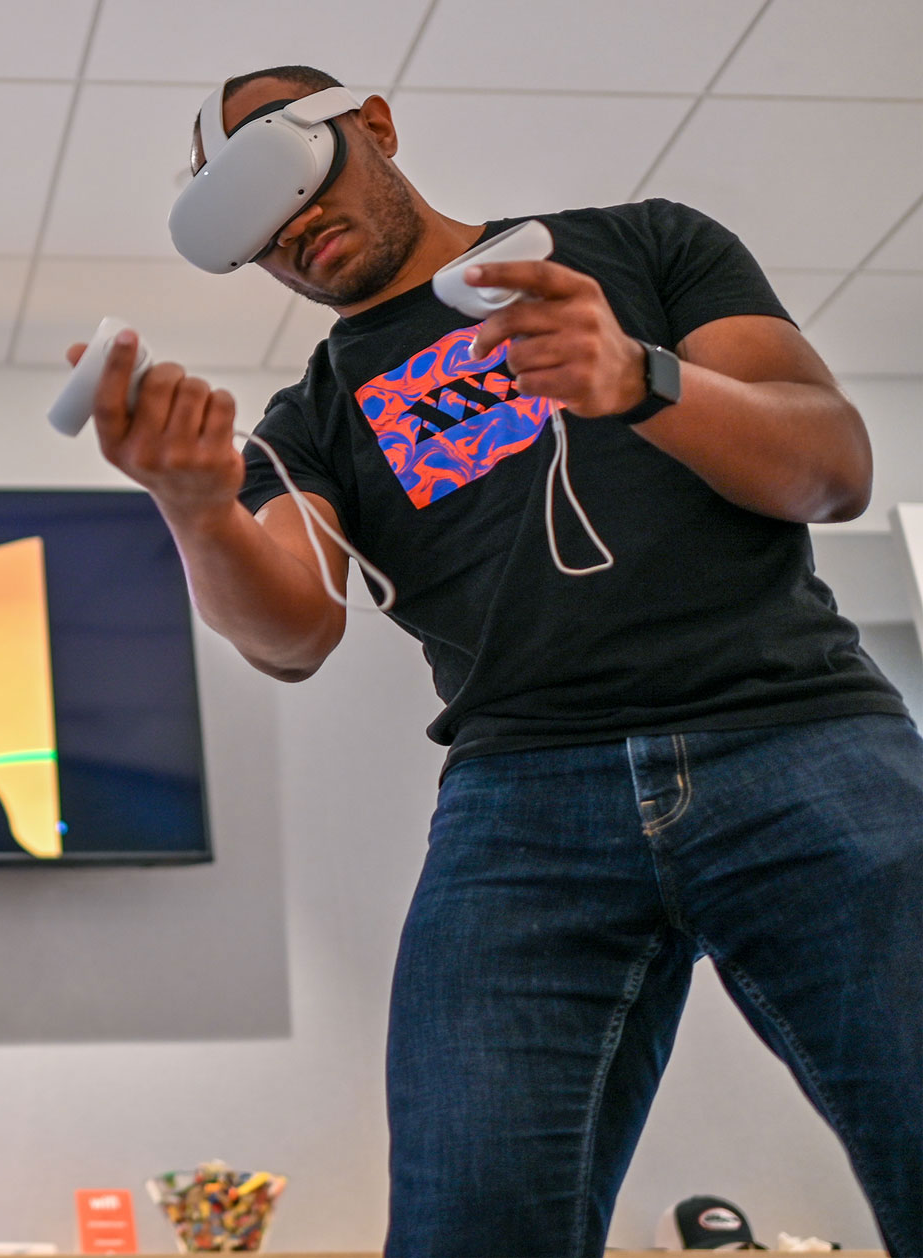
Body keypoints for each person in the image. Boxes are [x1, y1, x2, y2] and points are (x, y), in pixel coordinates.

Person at [73, 66, 922, 1254]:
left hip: (798, 736)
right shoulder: (310, 420)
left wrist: (639, 377)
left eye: (289, 182)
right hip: (525, 807)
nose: (288, 234)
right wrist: (194, 506)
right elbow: (291, 634)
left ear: (372, 126)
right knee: (468, 1218)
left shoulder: (643, 250)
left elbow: (833, 468)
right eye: (249, 232)